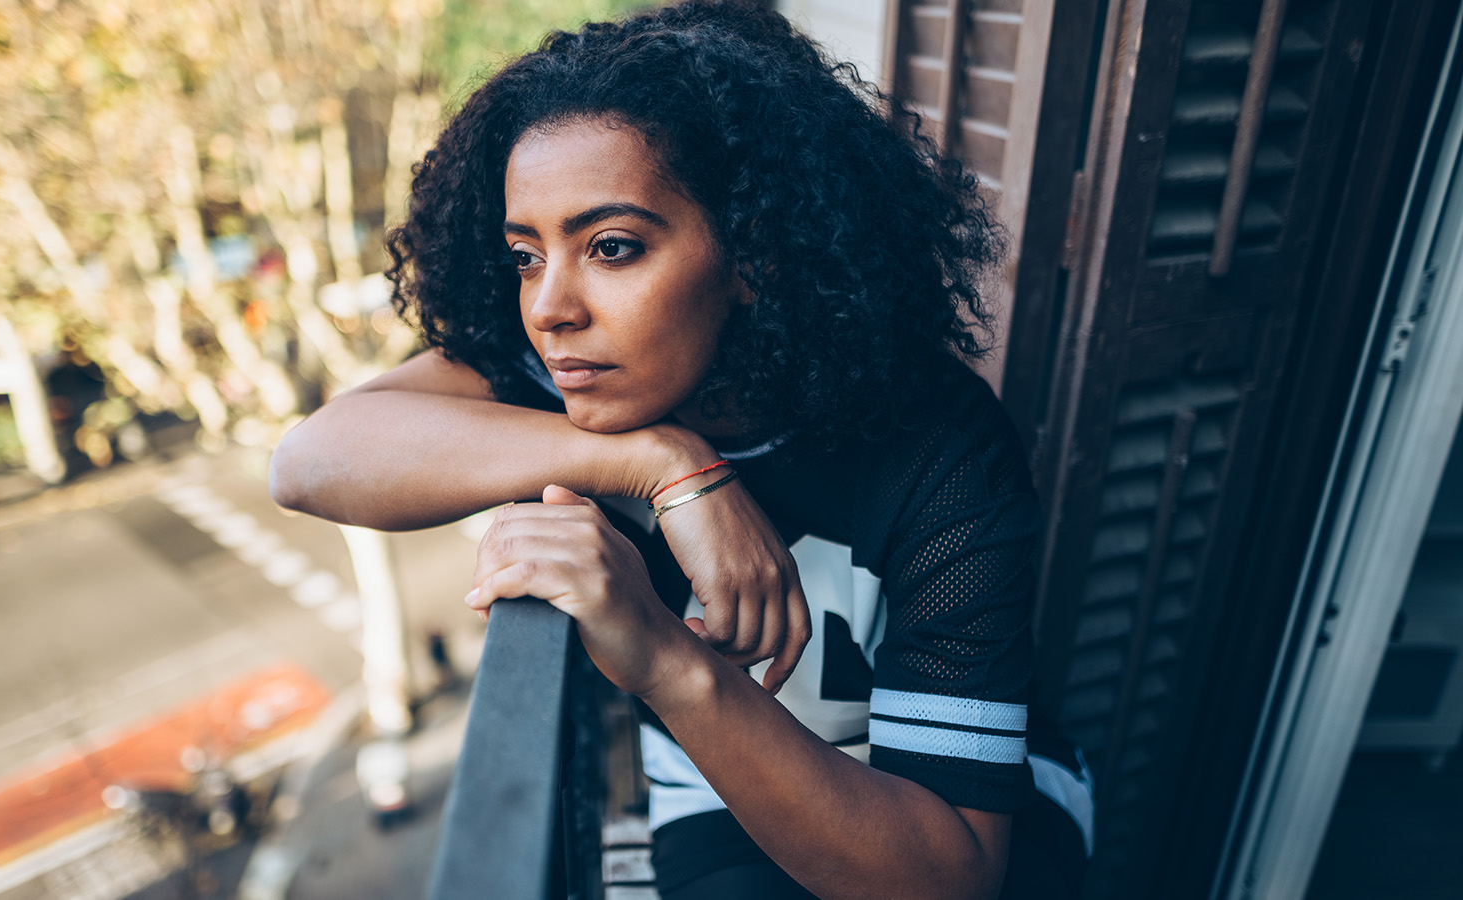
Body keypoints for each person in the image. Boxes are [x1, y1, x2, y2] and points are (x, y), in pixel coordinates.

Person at [270, 2, 1092, 897]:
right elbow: (309, 462)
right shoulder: (568, 376)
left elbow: (948, 875)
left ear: (755, 253)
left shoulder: (941, 445)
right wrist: (660, 463)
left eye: (611, 247)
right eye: (525, 255)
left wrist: (664, 657)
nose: (550, 307)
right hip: (710, 777)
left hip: (948, 797)